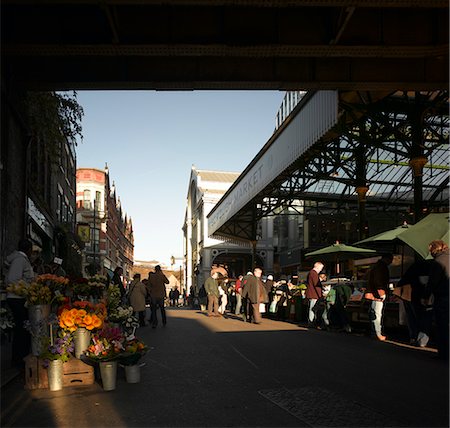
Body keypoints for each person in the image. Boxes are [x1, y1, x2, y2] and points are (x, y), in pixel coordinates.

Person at [5, 239, 35, 366]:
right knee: (22, 329)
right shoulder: (20, 260)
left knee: (22, 328)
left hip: (19, 298)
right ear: (28, 250)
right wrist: (26, 290)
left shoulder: (21, 260)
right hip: (17, 299)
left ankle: (20, 357)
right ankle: (18, 358)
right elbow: (13, 279)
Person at [428, 240, 449, 360]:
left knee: (442, 326)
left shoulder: (438, 262)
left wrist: (426, 296)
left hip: (443, 297)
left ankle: (444, 354)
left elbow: (432, 282)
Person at [365, 253, 393, 341]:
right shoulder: (381, 267)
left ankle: (374, 332)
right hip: (377, 293)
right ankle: (377, 333)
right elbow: (378, 280)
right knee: (377, 314)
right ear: (388, 259)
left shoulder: (375, 266)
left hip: (373, 292)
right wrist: (381, 292)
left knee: (374, 313)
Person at [305, 262, 324, 327]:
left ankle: (311, 322)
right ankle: (311, 322)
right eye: (321, 268)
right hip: (314, 294)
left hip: (311, 293)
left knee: (312, 308)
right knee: (313, 308)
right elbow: (317, 285)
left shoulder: (310, 273)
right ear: (317, 267)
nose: (321, 270)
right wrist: (320, 295)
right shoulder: (314, 273)